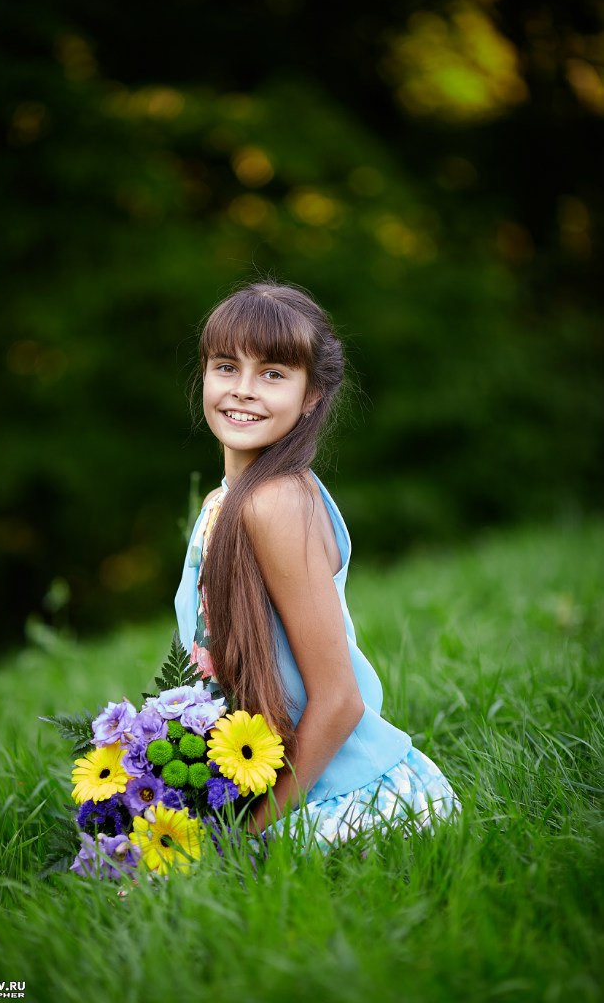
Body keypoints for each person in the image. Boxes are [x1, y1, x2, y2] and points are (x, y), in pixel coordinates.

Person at [174, 280, 460, 852]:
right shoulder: (221, 505)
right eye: (226, 367)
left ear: (311, 395)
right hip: (278, 787)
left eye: (274, 374)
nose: (244, 390)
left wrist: (238, 838)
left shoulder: (274, 503)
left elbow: (340, 700)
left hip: (345, 798)